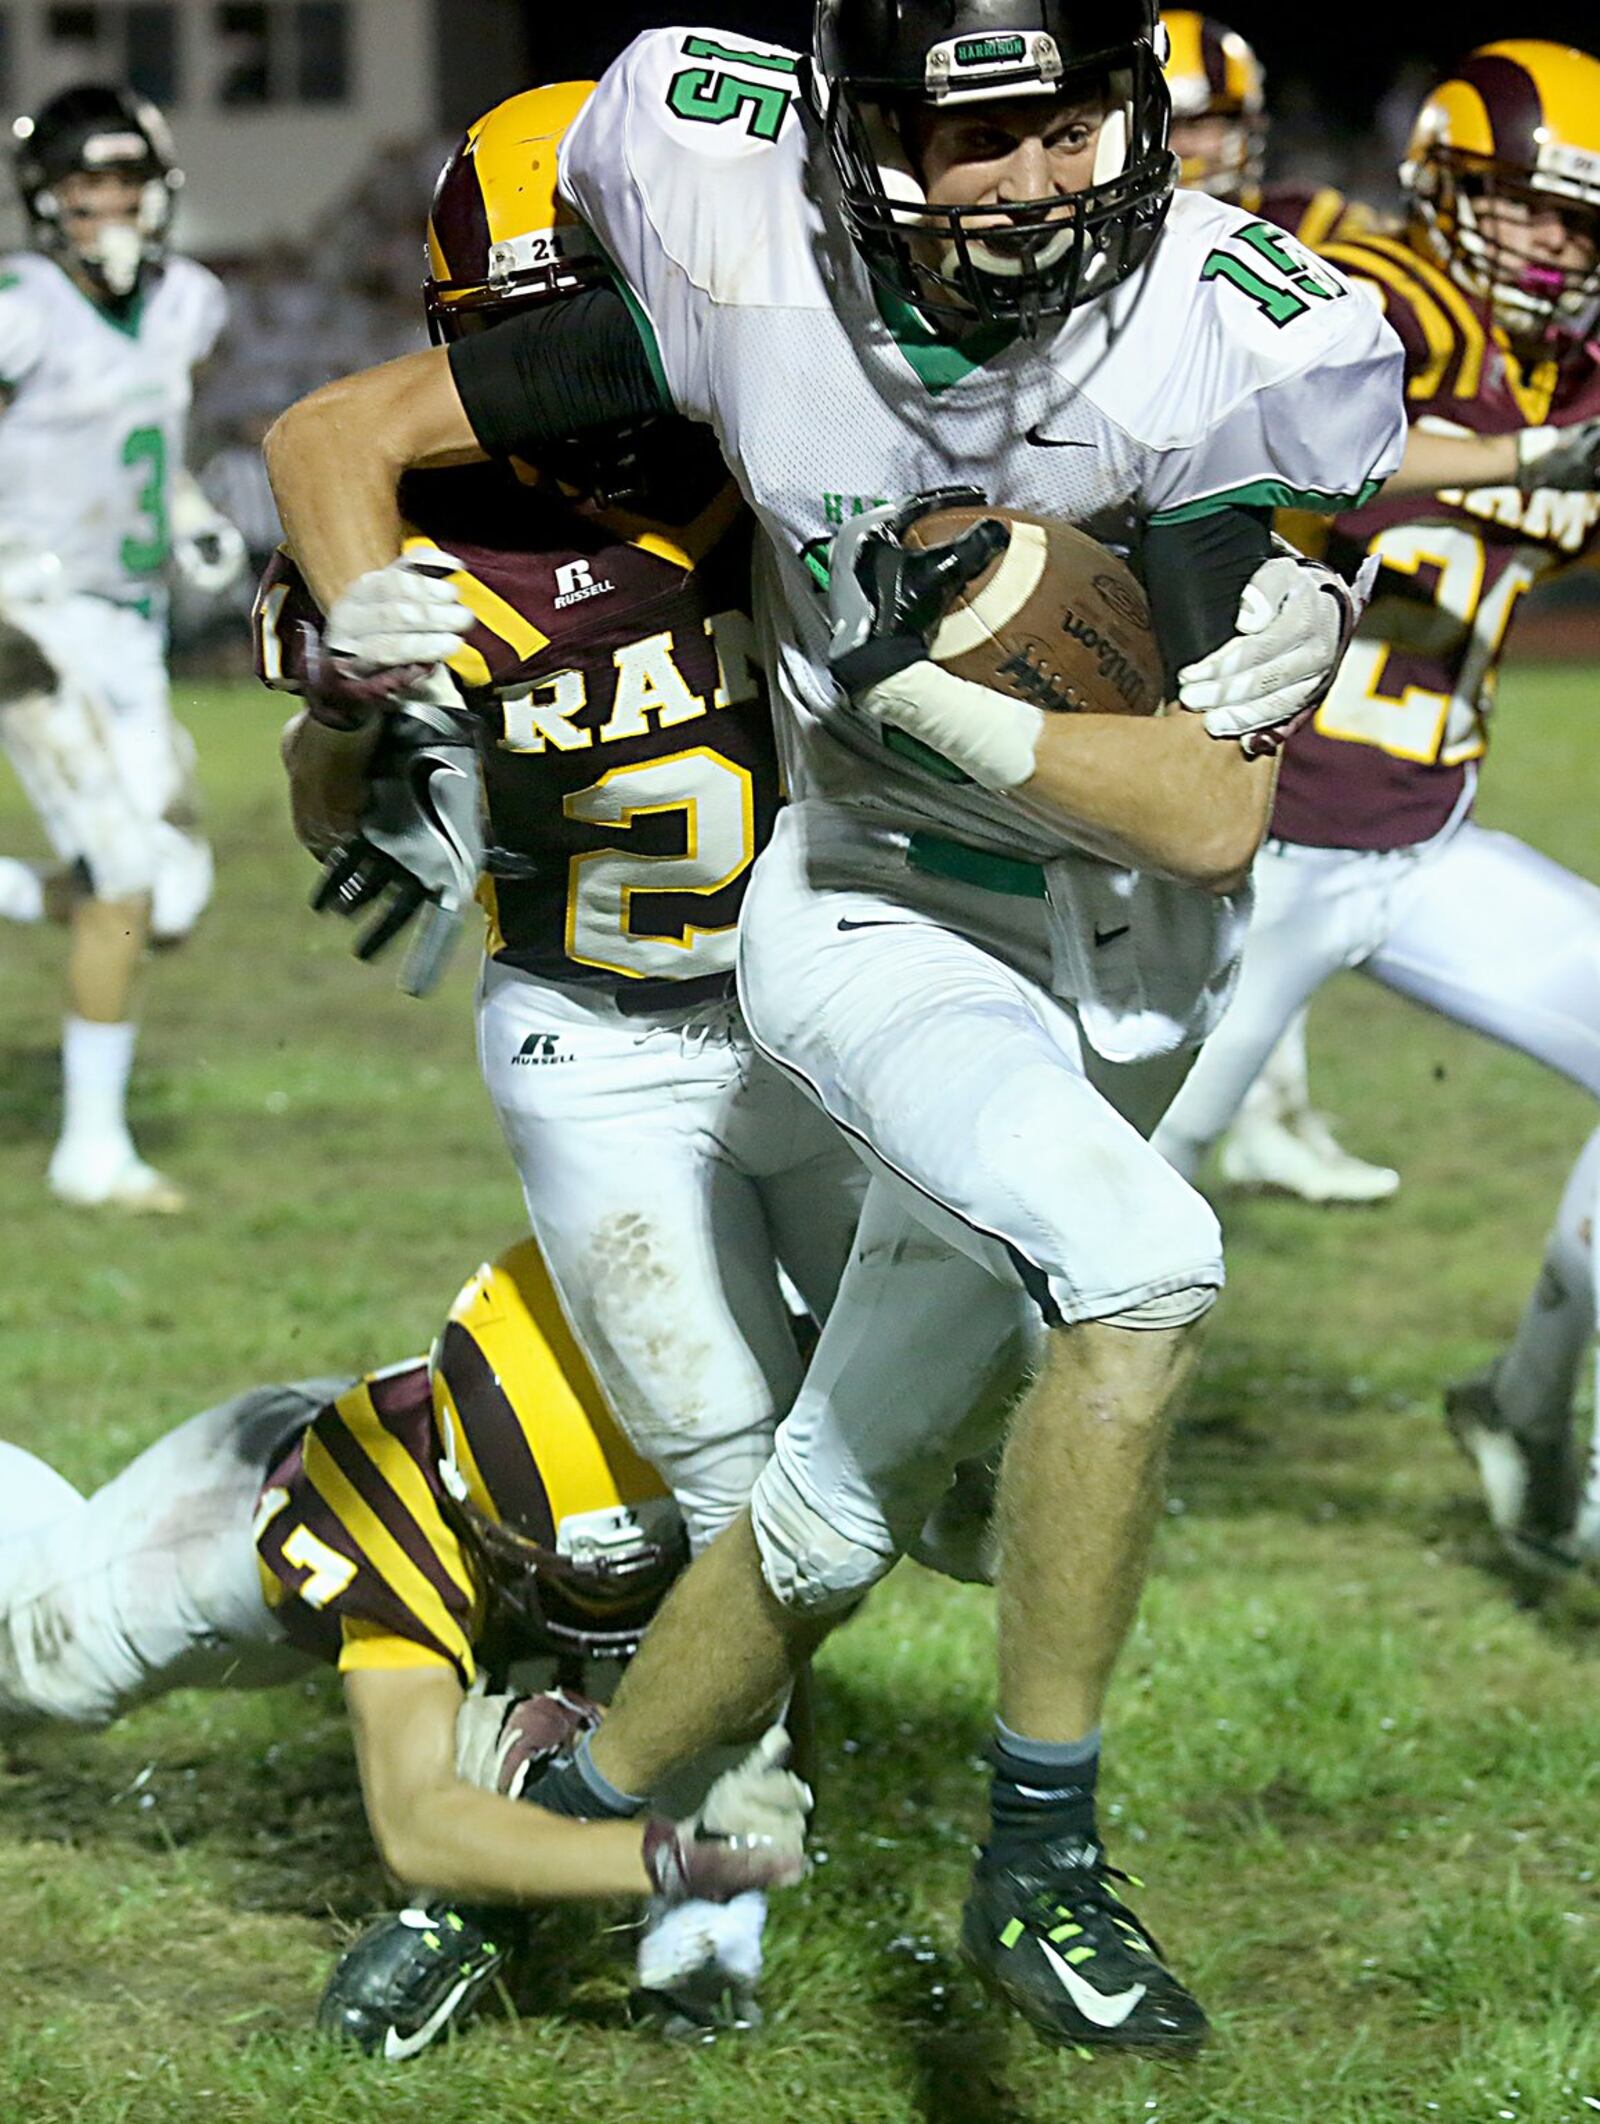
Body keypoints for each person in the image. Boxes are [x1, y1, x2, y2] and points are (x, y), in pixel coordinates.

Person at [264, 0, 1408, 2051]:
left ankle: (547, 1831)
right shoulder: (735, 277)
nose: (1030, 179)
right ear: (850, 136)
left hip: (1122, 965)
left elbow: (1210, 815)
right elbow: (340, 444)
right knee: (1127, 1270)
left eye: (1067, 122)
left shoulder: (1226, 333)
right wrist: (351, 668)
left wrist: (952, 677)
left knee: (819, 1515)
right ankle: (1034, 1856)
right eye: (968, 134)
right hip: (861, 924)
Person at [262, 81, 1038, 2046]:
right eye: (511, 335)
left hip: (814, 1006)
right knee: (725, 1481)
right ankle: (697, 1894)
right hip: (592, 1047)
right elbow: (314, 791)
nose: (565, 388)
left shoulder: (776, 449)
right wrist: (354, 709)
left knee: (949, 1421)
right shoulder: (425, 518)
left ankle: (600, 1772)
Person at [1149, 39, 1600, 1574]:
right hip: (1253, 845)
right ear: (1443, 191)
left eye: (1583, 222)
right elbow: (1318, 446)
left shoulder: (1581, 363)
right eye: (1524, 207)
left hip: (1426, 840)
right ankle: (904, 1454)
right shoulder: (1385, 303)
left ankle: (1528, 1412)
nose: (1555, 244)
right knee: (1120, 1215)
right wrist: (1535, 454)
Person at [0, 1238, 813, 2057]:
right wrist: (664, 1858)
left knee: (705, 1671)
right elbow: (417, 1823)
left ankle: (699, 1947)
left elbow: (764, 1632)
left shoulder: (733, 1446)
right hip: (243, 1530)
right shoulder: (386, 1509)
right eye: (595, 1581)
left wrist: (711, 1874)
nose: (617, 1603)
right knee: (42, 1666)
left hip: (495, 1544)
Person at [0, 85, 245, 1211]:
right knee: (126, 880)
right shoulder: (21, 303)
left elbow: (151, 447)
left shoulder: (190, 301)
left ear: (160, 191)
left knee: (172, 902)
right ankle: (90, 1153)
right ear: (44, 201)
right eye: (81, 188)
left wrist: (187, 514)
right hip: (25, 613)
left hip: (127, 624)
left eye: (122, 184)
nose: (104, 208)